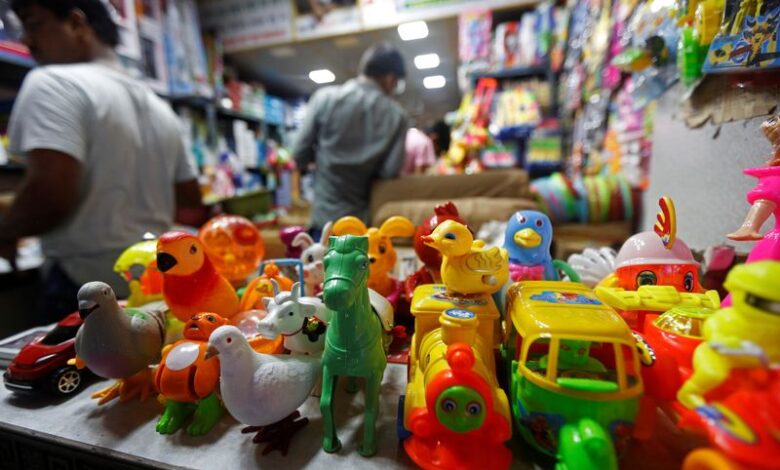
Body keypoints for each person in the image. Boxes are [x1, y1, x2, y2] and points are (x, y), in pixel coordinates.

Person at [0, 0, 204, 322]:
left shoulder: (52, 82)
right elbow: (190, 202)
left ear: (76, 24)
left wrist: (6, 230)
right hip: (154, 285)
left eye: (33, 24)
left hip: (84, 287)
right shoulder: (159, 107)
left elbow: (51, 195)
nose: (26, 39)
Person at [293, 42, 409, 235]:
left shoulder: (324, 98)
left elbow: (299, 154)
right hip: (362, 225)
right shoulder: (397, 116)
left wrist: (323, 160)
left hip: (324, 221)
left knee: (319, 256)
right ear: (390, 79)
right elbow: (390, 172)